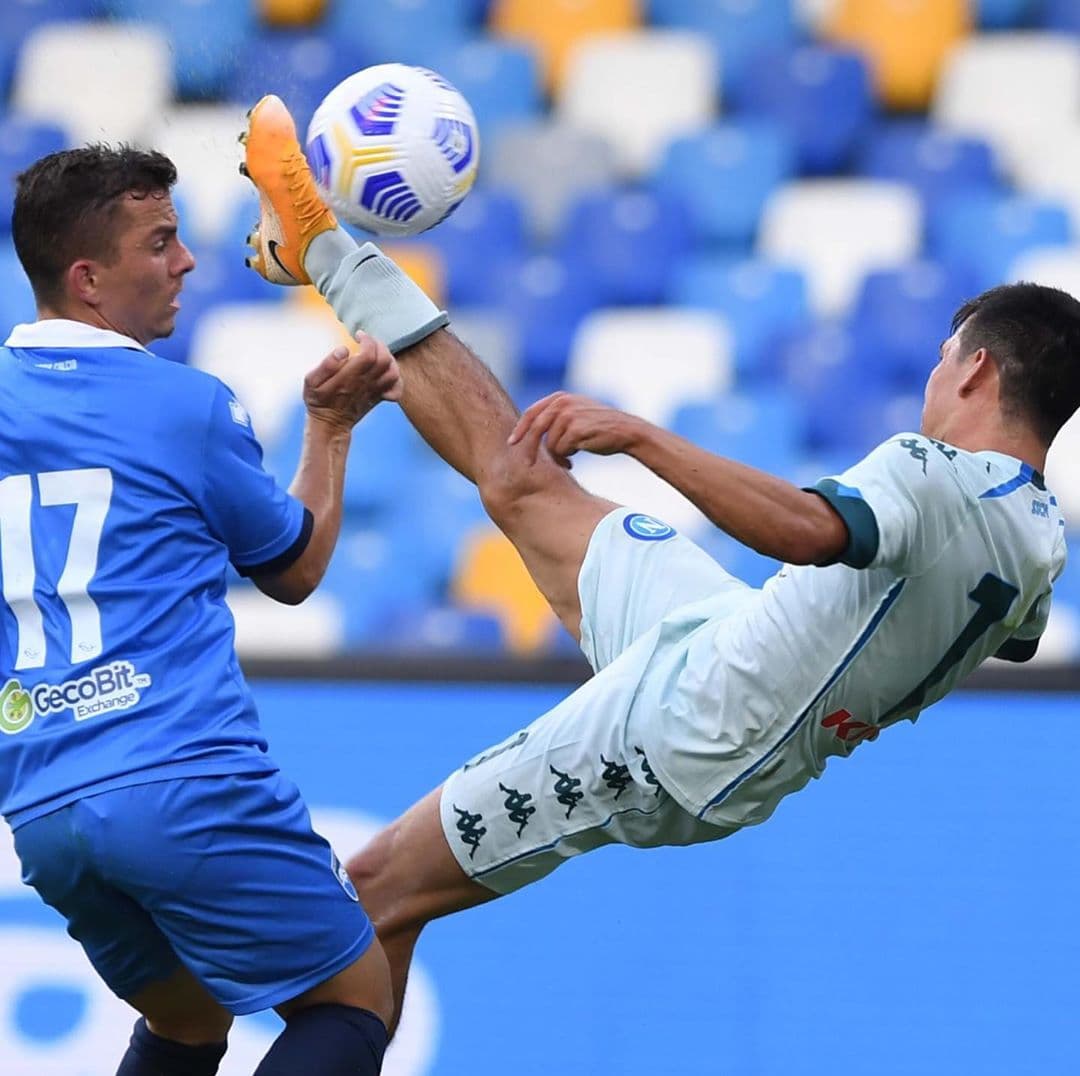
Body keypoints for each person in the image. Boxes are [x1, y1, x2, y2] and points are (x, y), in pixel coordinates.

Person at [241, 95, 1079, 1035]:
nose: (932, 380)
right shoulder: (1041, 546)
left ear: (974, 373)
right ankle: (321, 246)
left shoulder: (933, 474)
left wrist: (642, 436)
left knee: (379, 888)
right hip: (724, 638)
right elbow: (996, 635)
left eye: (941, 361)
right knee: (523, 476)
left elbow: (807, 531)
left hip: (690, 726)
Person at [1, 144, 403, 1075]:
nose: (185, 262)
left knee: (187, 1022)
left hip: (43, 806)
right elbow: (295, 568)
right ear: (89, 278)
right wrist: (332, 430)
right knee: (354, 997)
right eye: (161, 242)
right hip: (180, 774)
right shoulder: (182, 404)